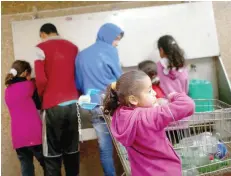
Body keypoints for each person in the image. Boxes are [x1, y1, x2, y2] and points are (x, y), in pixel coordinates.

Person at [103, 70, 195, 176]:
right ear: (133, 99)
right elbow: (188, 105)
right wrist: (173, 95)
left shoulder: (119, 115)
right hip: (165, 171)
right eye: (150, 91)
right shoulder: (150, 116)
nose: (155, 93)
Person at [75, 23, 124, 176]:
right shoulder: (110, 51)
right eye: (116, 39)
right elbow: (120, 79)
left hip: (95, 105)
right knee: (126, 144)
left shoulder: (81, 55)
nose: (116, 43)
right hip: (113, 104)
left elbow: (79, 83)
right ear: (108, 35)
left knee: (105, 148)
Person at [34, 23, 80, 176]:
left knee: (52, 154)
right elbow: (77, 75)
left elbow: (40, 80)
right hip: (73, 104)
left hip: (52, 104)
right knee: (72, 152)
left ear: (43, 34)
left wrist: (42, 96)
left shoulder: (40, 48)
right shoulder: (73, 47)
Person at [4, 60, 45, 176]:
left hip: (18, 136)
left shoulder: (7, 90)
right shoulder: (30, 85)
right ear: (26, 72)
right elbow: (39, 105)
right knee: (48, 165)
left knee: (26, 168)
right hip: (33, 133)